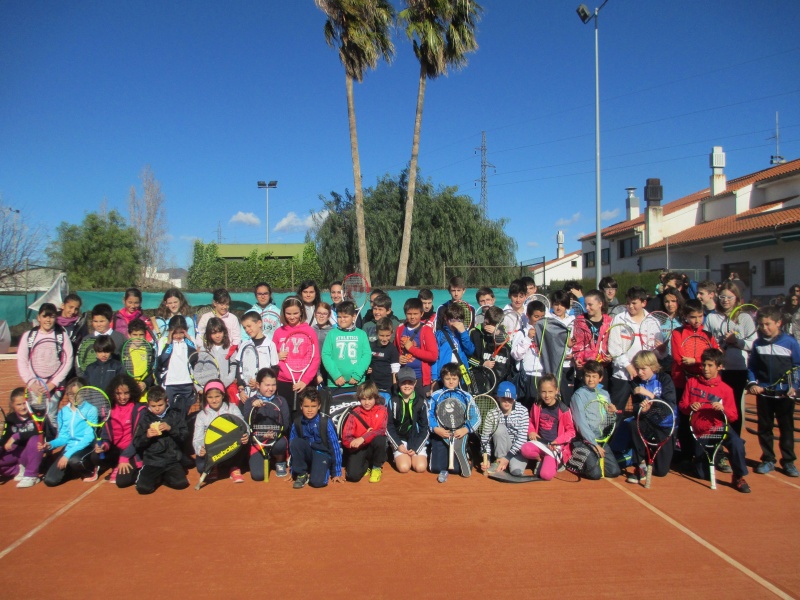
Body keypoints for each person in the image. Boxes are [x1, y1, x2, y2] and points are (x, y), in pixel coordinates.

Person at [681, 349, 751, 492]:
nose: (705, 369)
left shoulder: (726, 389)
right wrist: (690, 406)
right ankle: (699, 463)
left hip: (720, 427)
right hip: (701, 431)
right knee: (702, 475)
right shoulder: (692, 383)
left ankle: (738, 476)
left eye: (710, 365)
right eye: (704, 365)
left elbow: (733, 416)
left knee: (737, 443)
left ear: (719, 367)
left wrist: (722, 409)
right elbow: (682, 406)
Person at [748, 305, 800, 477]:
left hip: (785, 394)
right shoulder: (757, 344)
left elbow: (797, 366)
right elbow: (752, 367)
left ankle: (788, 461)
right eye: (761, 324)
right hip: (764, 393)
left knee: (786, 428)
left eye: (768, 324)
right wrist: (753, 383)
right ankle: (768, 459)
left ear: (779, 323)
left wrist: (794, 386)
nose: (765, 328)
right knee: (765, 427)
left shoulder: (790, 342)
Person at [670, 299, 719, 462]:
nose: (697, 320)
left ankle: (704, 454)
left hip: (703, 384)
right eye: (693, 317)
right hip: (681, 382)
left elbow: (715, 357)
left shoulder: (709, 335)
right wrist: (697, 361)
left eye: (700, 316)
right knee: (684, 419)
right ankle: (685, 453)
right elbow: (679, 358)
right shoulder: (677, 333)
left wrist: (696, 360)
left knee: (703, 418)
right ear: (685, 316)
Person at [705, 282, 755, 436]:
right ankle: (717, 442)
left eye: (730, 297)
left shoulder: (745, 318)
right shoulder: (712, 317)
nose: (725, 300)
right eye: (722, 297)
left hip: (738, 369)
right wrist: (715, 350)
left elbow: (753, 343)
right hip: (717, 371)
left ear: (737, 298)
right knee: (715, 405)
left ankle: (735, 441)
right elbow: (705, 342)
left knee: (733, 407)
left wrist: (736, 342)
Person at [17, 303, 74, 424]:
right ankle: (36, 442)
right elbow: (22, 360)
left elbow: (68, 360)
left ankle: (51, 443)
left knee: (51, 416)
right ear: (38, 317)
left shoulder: (62, 336)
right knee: (35, 419)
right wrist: (31, 382)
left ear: (56, 318)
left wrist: (53, 383)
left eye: (52, 316)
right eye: (45, 316)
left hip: (55, 387)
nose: (48, 320)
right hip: (35, 387)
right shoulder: (29, 336)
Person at [626, 351, 677, 484]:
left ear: (653, 367)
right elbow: (635, 407)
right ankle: (641, 464)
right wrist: (642, 409)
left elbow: (669, 407)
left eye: (644, 369)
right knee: (633, 424)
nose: (640, 372)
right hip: (648, 422)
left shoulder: (665, 379)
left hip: (666, 424)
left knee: (661, 471)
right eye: (637, 369)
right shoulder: (636, 382)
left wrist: (649, 396)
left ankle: (654, 451)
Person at [427, 364, 480, 483]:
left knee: (456, 470)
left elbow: (476, 417)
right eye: (447, 378)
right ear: (442, 379)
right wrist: (436, 429)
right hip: (441, 434)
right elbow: (428, 414)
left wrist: (465, 429)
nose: (451, 382)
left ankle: (464, 451)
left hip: (458, 434)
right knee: (435, 468)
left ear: (459, 379)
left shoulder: (466, 396)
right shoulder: (436, 395)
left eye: (454, 378)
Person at [90, 374, 146, 487]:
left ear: (132, 392)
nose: (122, 397)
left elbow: (138, 440)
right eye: (118, 393)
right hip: (116, 451)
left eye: (126, 393)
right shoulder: (108, 410)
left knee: (122, 482)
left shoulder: (140, 410)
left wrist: (125, 457)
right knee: (95, 456)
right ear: (113, 393)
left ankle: (142, 470)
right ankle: (116, 464)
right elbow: (106, 435)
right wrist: (104, 446)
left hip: (132, 451)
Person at [40, 378, 97, 487]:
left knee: (75, 461)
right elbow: (64, 437)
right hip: (69, 448)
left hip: (85, 447)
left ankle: (90, 469)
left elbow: (88, 438)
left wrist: (67, 455)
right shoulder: (63, 412)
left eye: (77, 394)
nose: (73, 397)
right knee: (50, 480)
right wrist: (50, 444)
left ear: (83, 393)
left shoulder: (91, 410)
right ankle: (71, 471)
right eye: (70, 394)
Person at [133, 386, 190, 494]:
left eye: (160, 405)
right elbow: (136, 442)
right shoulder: (145, 419)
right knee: (143, 489)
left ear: (166, 401)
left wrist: (171, 429)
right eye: (153, 406)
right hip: (153, 461)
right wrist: (147, 436)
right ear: (148, 404)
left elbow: (184, 435)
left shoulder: (175, 415)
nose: (157, 409)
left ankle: (163, 477)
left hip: (171, 459)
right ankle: (154, 477)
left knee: (181, 484)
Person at [518, 375, 576, 480]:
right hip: (540, 443)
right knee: (525, 449)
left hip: (554, 447)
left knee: (545, 475)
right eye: (543, 392)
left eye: (550, 392)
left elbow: (571, 431)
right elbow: (530, 420)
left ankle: (556, 462)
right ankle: (541, 460)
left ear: (556, 391)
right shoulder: (536, 405)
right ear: (539, 392)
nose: (547, 395)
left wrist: (557, 441)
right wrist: (531, 431)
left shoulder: (564, 410)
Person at [569, 362, 621, 479]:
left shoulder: (605, 394)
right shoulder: (578, 395)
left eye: (594, 376)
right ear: (583, 376)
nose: (591, 379)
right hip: (582, 440)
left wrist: (612, 414)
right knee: (595, 474)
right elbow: (580, 423)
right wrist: (593, 443)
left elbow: (608, 421)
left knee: (614, 471)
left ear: (600, 378)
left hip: (600, 439)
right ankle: (573, 460)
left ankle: (592, 458)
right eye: (588, 376)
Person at [193, 380, 249, 484]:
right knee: (201, 467)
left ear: (223, 395)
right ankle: (214, 466)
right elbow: (197, 438)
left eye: (217, 396)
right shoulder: (201, 415)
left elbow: (243, 424)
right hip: (212, 451)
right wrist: (200, 449)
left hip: (230, 448)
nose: (214, 400)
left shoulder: (232, 408)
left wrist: (246, 434)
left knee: (244, 441)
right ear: (205, 397)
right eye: (210, 397)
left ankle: (234, 467)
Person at [273, 296, 321, 412]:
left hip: (305, 383)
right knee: (286, 418)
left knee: (304, 418)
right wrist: (277, 357)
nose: (292, 317)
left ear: (301, 312)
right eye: (288, 313)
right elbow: (271, 356)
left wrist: (305, 380)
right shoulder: (279, 332)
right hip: (284, 383)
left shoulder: (309, 331)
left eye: (295, 313)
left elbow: (315, 358)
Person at [241, 368, 291, 480]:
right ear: (258, 385)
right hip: (257, 442)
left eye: (273, 385)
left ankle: (279, 461)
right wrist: (253, 408)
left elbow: (285, 425)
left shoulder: (281, 401)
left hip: (275, 439)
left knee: (281, 443)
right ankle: (265, 458)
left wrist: (274, 434)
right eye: (267, 385)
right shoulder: (250, 402)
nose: (271, 388)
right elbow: (247, 424)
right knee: (258, 476)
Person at [289, 387, 344, 488]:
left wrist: (336, 472)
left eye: (313, 406)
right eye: (306, 406)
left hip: (321, 454)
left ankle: (322, 468)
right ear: (301, 406)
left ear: (319, 406)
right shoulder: (297, 422)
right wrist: (293, 469)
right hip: (307, 455)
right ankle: (302, 474)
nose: (310, 410)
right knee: (295, 442)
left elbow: (335, 446)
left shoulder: (325, 422)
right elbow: (293, 448)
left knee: (317, 482)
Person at [608, 287, 650, 413]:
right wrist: (628, 366)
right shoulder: (619, 319)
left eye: (634, 303)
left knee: (642, 412)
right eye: (628, 303)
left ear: (643, 303)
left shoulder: (652, 321)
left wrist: (643, 369)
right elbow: (614, 347)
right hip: (621, 376)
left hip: (644, 377)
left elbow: (655, 352)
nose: (630, 306)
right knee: (616, 413)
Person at [482, 381, 534, 476]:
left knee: (516, 472)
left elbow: (522, 439)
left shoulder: (523, 411)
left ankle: (506, 463)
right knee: (499, 428)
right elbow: (485, 439)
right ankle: (498, 460)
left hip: (518, 451)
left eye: (510, 399)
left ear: (515, 398)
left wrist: (507, 458)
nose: (506, 402)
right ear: (498, 398)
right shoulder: (492, 413)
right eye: (503, 398)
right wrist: (487, 458)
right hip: (500, 450)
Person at [341, 381, 389, 483]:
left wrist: (363, 438)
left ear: (375, 398)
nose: (367, 403)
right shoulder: (354, 414)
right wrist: (354, 442)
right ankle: (367, 464)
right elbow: (346, 438)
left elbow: (381, 430)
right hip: (359, 448)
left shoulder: (382, 410)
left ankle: (376, 467)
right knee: (352, 477)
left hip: (372, 445)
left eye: (370, 399)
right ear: (359, 399)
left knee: (380, 439)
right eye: (363, 399)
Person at [321, 300, 371, 395]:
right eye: (339, 316)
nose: (342, 319)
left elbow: (366, 355)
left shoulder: (361, 334)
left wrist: (357, 375)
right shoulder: (332, 334)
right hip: (335, 384)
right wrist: (336, 376)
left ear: (354, 317)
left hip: (357, 383)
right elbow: (326, 355)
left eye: (345, 316)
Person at [386, 367, 429, 474]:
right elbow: (388, 426)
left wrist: (416, 448)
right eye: (403, 382)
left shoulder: (421, 402)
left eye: (410, 382)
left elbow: (425, 428)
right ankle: (395, 452)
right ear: (398, 383)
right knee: (404, 468)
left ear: (415, 383)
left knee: (420, 467)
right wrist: (398, 444)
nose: (406, 386)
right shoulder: (392, 402)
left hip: (416, 439)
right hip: (400, 440)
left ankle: (414, 455)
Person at [0, 387, 43, 488]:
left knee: (36, 439)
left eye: (25, 403)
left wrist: (16, 436)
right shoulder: (10, 418)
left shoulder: (37, 415)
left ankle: (31, 475)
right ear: (12, 405)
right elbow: (5, 437)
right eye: (19, 404)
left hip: (31, 451)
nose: (23, 407)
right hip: (16, 453)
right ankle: (18, 470)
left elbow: (38, 431)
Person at [155, 316, 198, 418]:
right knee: (171, 411)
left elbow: (194, 357)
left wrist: (188, 340)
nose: (178, 336)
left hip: (187, 382)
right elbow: (162, 359)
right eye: (175, 333)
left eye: (181, 332)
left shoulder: (189, 341)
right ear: (170, 331)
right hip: (170, 383)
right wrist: (169, 342)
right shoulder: (164, 341)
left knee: (186, 412)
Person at [395, 298, 438, 398]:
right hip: (403, 377)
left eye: (415, 314)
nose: (412, 317)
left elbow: (433, 355)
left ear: (421, 314)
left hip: (421, 378)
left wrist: (412, 349)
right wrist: (398, 358)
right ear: (405, 314)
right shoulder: (400, 329)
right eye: (409, 314)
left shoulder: (426, 330)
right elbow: (396, 350)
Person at [510, 300, 547, 408]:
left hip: (543, 375)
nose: (539, 320)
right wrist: (528, 338)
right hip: (527, 376)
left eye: (542, 317)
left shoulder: (547, 332)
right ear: (528, 316)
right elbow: (516, 355)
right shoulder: (522, 333)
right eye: (536, 316)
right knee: (528, 408)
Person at [571, 289, 612, 386]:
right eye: (585, 305)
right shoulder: (580, 321)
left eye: (590, 305)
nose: (587, 308)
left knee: (601, 399)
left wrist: (611, 356)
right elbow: (578, 345)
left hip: (602, 368)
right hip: (586, 369)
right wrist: (578, 358)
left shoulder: (609, 322)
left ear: (600, 304)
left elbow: (613, 344)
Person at [237, 311, 279, 402]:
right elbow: (239, 368)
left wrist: (259, 384)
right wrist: (241, 389)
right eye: (244, 328)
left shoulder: (270, 345)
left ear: (259, 323)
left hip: (265, 394)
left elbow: (274, 369)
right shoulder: (244, 345)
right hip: (246, 394)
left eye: (249, 326)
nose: (247, 330)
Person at [470, 306, 511, 395]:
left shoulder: (503, 332)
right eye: (487, 323)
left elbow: (510, 349)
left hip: (500, 379)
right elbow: (467, 357)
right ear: (485, 319)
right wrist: (482, 364)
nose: (489, 326)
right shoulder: (474, 332)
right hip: (479, 379)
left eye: (494, 325)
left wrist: (497, 333)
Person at [431, 303, 475, 386]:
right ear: (446, 319)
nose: (455, 323)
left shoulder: (465, 334)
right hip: (444, 376)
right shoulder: (439, 335)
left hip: (461, 376)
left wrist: (463, 333)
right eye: (452, 320)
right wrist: (434, 377)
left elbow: (470, 351)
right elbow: (435, 357)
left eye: (459, 320)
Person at [204, 317, 239, 404]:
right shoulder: (204, 349)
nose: (217, 335)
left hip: (227, 387)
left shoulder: (230, 349)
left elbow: (233, 368)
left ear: (224, 332)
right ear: (209, 334)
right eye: (214, 333)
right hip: (210, 390)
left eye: (220, 332)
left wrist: (224, 384)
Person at [369, 317, 400, 400]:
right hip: (372, 385)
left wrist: (394, 387)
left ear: (392, 333)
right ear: (376, 332)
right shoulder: (371, 346)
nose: (384, 339)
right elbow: (367, 362)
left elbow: (395, 371)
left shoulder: (392, 349)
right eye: (381, 335)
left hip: (387, 386)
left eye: (387, 335)